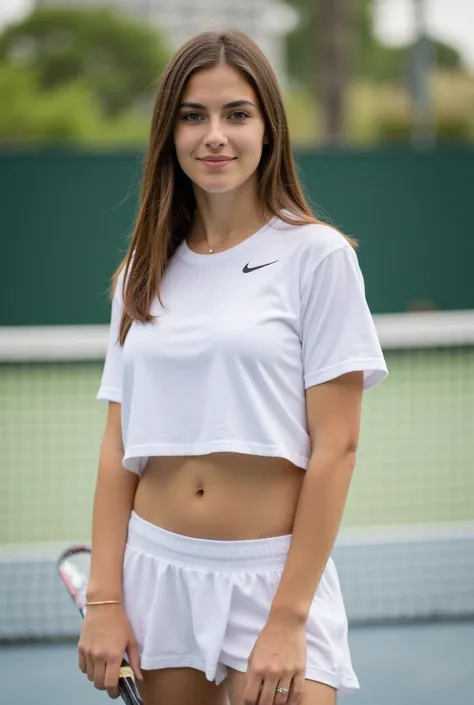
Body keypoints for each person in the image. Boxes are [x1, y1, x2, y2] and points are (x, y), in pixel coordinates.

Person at [78, 29, 387, 705]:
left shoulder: (319, 257)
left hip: (272, 581)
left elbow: (337, 446)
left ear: (268, 128)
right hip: (156, 572)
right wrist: (105, 597)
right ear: (170, 133)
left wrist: (287, 615)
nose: (214, 135)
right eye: (193, 116)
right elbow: (118, 446)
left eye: (236, 114)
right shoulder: (140, 272)